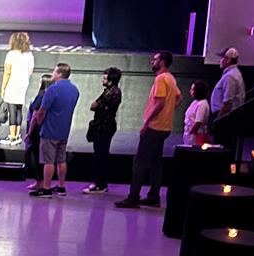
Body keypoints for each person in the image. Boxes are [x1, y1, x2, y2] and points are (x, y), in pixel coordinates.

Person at [115, 50, 180, 209]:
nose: (153, 62)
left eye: (155, 59)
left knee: (140, 162)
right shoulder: (171, 78)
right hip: (165, 127)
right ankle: (154, 196)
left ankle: (133, 196)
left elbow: (159, 103)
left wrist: (147, 123)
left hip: (155, 127)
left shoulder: (161, 79)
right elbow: (179, 97)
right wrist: (169, 112)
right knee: (155, 162)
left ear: (162, 62)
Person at [28, 63, 80, 197]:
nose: (53, 74)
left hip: (50, 130)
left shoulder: (52, 90)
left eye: (54, 72)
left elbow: (42, 110)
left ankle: (46, 188)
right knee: (61, 160)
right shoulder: (75, 90)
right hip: (64, 130)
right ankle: (61, 186)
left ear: (60, 74)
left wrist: (39, 121)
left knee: (48, 161)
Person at [83, 67, 122, 194]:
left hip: (105, 127)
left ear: (111, 80)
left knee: (101, 155)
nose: (103, 79)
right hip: (103, 126)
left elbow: (94, 105)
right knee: (99, 155)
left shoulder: (112, 92)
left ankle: (101, 184)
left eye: (105, 78)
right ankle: (99, 182)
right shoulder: (109, 91)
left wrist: (97, 105)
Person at [0, 33, 35, 146]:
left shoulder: (11, 54)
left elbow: (7, 72)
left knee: (12, 110)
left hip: (12, 84)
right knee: (18, 109)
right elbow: (30, 71)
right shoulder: (29, 55)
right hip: (23, 84)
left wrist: (3, 87)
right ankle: (17, 135)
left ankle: (13, 137)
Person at [24, 72, 53, 185]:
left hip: (37, 130)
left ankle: (40, 182)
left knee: (37, 157)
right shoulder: (49, 97)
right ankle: (41, 182)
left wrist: (29, 133)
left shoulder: (41, 97)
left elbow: (35, 117)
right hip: (44, 129)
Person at [210, 47, 245, 121]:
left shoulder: (230, 76)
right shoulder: (233, 73)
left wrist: (218, 120)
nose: (220, 60)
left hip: (225, 118)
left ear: (228, 60)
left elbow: (227, 103)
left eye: (222, 58)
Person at [184, 81, 211, 147]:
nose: (191, 91)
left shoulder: (202, 104)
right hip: (189, 133)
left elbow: (198, 122)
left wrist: (191, 133)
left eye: (193, 89)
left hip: (196, 135)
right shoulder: (195, 102)